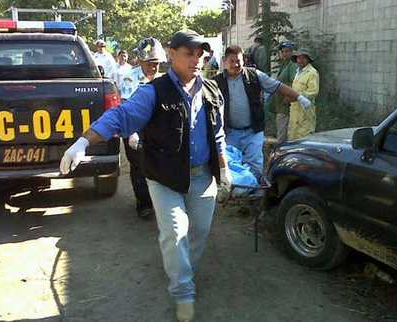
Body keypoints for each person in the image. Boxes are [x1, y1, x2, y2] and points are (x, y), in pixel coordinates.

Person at [59, 30, 231, 322]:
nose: (196, 60)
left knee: (199, 233)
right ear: (171, 53)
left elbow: (217, 134)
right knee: (175, 234)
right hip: (164, 178)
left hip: (203, 178)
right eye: (189, 53)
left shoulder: (211, 91)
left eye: (200, 54)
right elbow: (119, 116)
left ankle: (182, 270)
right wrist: (83, 141)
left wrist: (224, 168)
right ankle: (183, 291)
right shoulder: (153, 92)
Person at [213, 45, 311, 179]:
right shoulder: (216, 82)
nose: (236, 64)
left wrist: (299, 97)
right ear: (224, 61)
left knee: (254, 166)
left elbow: (278, 86)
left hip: (253, 131)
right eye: (232, 61)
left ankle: (254, 195)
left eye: (239, 61)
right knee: (232, 166)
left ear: (244, 60)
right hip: (230, 133)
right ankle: (235, 195)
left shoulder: (255, 76)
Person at [120, 37, 166, 218]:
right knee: (139, 166)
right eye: (149, 63)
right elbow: (126, 106)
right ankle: (144, 204)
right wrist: (132, 132)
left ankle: (159, 202)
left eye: (156, 63)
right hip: (136, 128)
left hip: (157, 129)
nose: (153, 67)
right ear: (140, 60)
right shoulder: (129, 78)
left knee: (158, 165)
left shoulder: (163, 80)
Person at [268, 42, 297, 142]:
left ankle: (281, 153)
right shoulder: (284, 65)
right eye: (283, 51)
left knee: (283, 132)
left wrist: (289, 97)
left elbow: (295, 82)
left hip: (285, 104)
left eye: (287, 51)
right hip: (279, 103)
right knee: (282, 130)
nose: (285, 54)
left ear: (291, 52)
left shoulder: (292, 66)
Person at [288, 48, 319, 140]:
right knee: (293, 136)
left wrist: (297, 96)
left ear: (308, 59)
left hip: (305, 111)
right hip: (294, 110)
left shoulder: (312, 73)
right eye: (298, 58)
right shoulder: (297, 72)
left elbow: (313, 91)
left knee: (304, 137)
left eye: (303, 58)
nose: (300, 60)